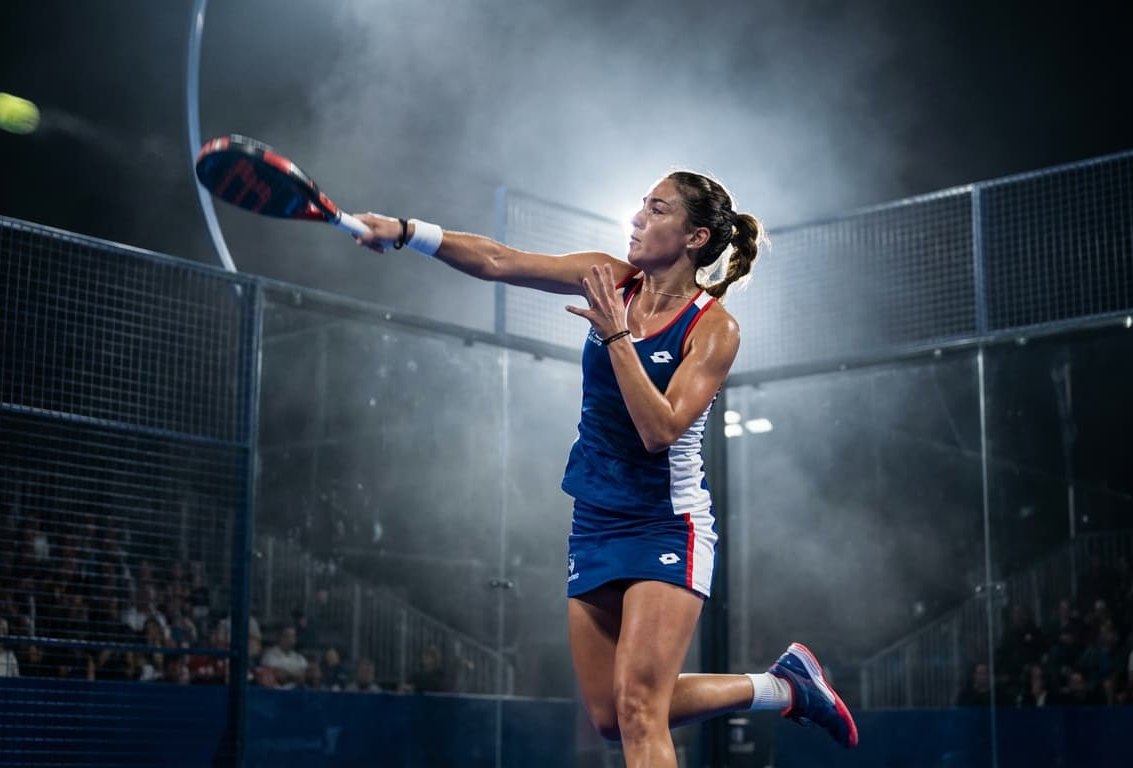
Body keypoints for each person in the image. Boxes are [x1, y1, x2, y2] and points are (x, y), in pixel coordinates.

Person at [352, 172, 857, 764]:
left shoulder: (715, 329)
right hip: (595, 520)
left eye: (656, 209)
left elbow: (659, 430)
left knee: (641, 713)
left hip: (667, 525)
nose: (638, 218)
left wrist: (618, 334)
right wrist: (408, 232)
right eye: (641, 205)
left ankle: (786, 688)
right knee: (612, 718)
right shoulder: (610, 275)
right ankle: (783, 688)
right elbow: (498, 260)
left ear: (695, 237)